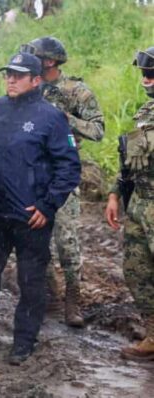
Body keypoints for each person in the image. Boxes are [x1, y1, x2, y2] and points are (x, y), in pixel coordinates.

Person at [0, 52, 81, 365]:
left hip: (32, 218)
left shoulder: (51, 117)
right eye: (8, 74)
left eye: (18, 75)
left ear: (35, 79)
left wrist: (48, 205)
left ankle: (23, 343)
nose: (11, 80)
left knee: (31, 283)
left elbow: (69, 167)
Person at [21, 36, 105, 328]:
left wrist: (65, 118)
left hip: (64, 176)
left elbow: (98, 130)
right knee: (36, 240)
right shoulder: (29, 88)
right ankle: (52, 297)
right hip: (33, 176)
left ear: (50, 62)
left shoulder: (76, 91)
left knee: (67, 243)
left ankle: (73, 301)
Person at [105, 47, 154, 361]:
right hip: (139, 204)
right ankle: (152, 334)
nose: (146, 78)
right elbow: (129, 162)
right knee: (137, 271)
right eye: (145, 73)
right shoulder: (145, 113)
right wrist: (113, 194)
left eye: (150, 73)